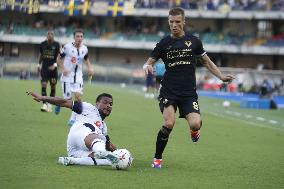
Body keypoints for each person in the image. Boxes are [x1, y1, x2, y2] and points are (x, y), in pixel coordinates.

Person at [142, 7, 235, 168]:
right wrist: (147, 66)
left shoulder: (194, 41)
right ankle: (157, 158)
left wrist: (220, 76)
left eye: (178, 22)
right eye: (171, 22)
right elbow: (149, 61)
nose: (174, 25)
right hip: (169, 90)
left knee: (195, 124)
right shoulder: (163, 43)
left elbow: (206, 62)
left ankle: (194, 131)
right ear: (168, 22)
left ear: (184, 22)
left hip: (188, 92)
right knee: (169, 123)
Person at [27, 91, 119, 166]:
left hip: (74, 150)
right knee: (99, 140)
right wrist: (43, 98)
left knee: (103, 158)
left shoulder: (104, 127)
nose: (108, 105)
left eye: (111, 104)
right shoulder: (88, 107)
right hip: (79, 134)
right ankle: (100, 151)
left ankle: (72, 160)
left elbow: (108, 144)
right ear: (97, 103)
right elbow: (64, 102)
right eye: (105, 102)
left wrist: (119, 154)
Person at [56, 29, 94, 126]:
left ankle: (72, 120)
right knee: (67, 100)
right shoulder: (67, 47)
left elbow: (86, 59)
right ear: (74, 37)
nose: (79, 38)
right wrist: (63, 68)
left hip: (78, 76)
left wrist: (90, 68)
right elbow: (59, 58)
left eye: (81, 36)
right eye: (77, 36)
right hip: (67, 76)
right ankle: (59, 102)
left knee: (78, 97)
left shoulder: (84, 49)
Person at [38, 30, 60, 112]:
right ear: (46, 35)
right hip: (44, 68)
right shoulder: (42, 44)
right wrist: (38, 64)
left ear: (53, 36)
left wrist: (55, 65)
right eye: (48, 34)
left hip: (53, 70)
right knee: (44, 84)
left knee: (53, 86)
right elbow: (40, 55)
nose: (50, 35)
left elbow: (59, 56)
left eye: (52, 34)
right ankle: (44, 104)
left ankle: (50, 104)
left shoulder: (57, 45)